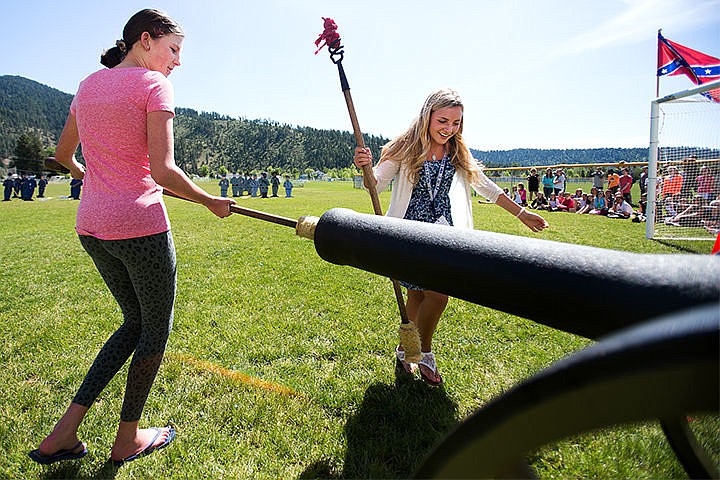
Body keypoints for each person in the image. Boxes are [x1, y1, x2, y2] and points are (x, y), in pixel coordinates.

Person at [28, 9, 235, 467]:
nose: (177, 61)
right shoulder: (153, 85)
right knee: (153, 331)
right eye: (173, 49)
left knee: (132, 323)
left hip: (92, 227)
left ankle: (62, 434)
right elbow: (163, 170)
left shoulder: (87, 85)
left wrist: (95, 176)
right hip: (139, 228)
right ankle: (127, 439)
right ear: (145, 40)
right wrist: (209, 201)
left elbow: (63, 155)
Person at [353, 88, 549, 386]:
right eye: (443, 121)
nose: (449, 129)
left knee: (432, 293)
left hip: (443, 232)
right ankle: (423, 353)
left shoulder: (457, 150)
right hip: (409, 232)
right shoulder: (403, 147)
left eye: (456, 123)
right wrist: (366, 167)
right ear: (427, 116)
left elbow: (485, 186)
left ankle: (407, 350)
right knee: (421, 294)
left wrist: (521, 213)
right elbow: (375, 186)